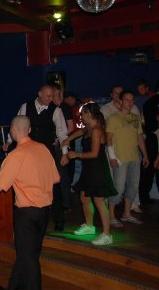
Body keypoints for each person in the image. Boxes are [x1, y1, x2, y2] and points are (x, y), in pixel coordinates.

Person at [0, 116, 59, 290]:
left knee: (28, 258)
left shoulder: (16, 155)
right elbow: (55, 178)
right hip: (45, 210)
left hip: (27, 212)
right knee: (28, 254)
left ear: (13, 130)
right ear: (29, 130)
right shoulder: (43, 149)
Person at [3, 84, 68, 231]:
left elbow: (62, 133)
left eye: (52, 96)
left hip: (46, 153)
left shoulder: (56, 111)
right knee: (24, 180)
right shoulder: (26, 107)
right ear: (39, 94)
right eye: (48, 96)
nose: (51, 99)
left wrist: (64, 154)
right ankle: (23, 214)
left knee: (54, 184)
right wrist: (9, 141)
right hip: (27, 153)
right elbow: (18, 125)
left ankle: (59, 219)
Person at [62, 103, 116, 245]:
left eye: (82, 114)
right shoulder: (89, 128)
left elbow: (94, 154)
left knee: (99, 201)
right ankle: (89, 226)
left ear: (89, 114)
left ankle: (107, 234)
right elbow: (80, 132)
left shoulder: (97, 130)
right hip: (89, 169)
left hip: (98, 169)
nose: (80, 117)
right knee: (84, 198)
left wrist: (76, 154)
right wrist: (68, 139)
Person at [106, 90, 149, 226]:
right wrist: (112, 157)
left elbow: (140, 137)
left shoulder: (136, 118)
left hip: (135, 157)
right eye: (127, 99)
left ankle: (127, 214)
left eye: (132, 100)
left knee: (133, 186)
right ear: (120, 101)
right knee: (118, 188)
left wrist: (145, 155)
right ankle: (111, 215)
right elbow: (108, 138)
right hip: (120, 158)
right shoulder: (113, 117)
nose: (130, 102)